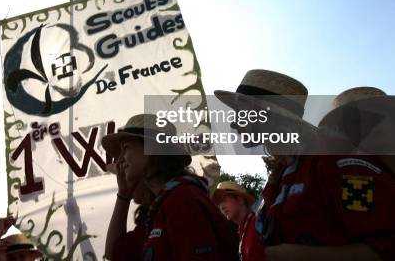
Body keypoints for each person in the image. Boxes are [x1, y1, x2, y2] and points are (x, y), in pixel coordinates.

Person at [216, 70, 395, 260]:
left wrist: (303, 256)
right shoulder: (280, 174)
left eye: (240, 112)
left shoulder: (331, 156)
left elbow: (387, 247)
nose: (234, 123)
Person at [102, 114, 238, 260]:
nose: (120, 159)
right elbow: (115, 253)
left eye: (126, 148)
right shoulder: (159, 207)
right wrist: (123, 194)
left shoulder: (183, 200)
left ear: (152, 148)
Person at [212, 181, 263, 261]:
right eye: (218, 203)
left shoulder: (258, 224)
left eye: (224, 200)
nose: (221, 207)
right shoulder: (242, 229)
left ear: (240, 200)